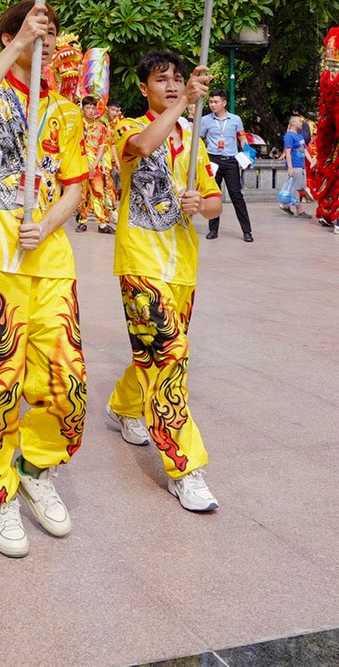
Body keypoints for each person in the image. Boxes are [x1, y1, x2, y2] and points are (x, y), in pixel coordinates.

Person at [0, 1, 88, 560]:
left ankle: (34, 467)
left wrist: (47, 224)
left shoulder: (65, 112)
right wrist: (13, 47)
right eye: (37, 30)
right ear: (11, 33)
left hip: (49, 262)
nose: (48, 39)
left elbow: (75, 187)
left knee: (67, 384)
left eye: (53, 32)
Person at [106, 51, 224, 513]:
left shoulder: (195, 139)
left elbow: (214, 203)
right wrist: (185, 104)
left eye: (178, 80)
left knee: (157, 352)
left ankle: (124, 405)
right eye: (162, 80)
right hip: (140, 262)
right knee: (170, 359)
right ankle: (185, 469)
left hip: (183, 267)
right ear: (144, 89)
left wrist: (200, 205)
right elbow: (142, 147)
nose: (172, 86)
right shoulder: (125, 128)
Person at [196, 93, 253, 242]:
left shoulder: (235, 120)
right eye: (211, 102)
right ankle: (213, 230)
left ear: (224, 103)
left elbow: (241, 137)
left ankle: (247, 231)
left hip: (231, 161)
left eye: (216, 102)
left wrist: (247, 155)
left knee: (237, 196)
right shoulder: (205, 120)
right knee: (213, 195)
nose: (212, 105)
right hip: (212, 160)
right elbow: (199, 138)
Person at [77, 96, 118, 234]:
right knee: (82, 194)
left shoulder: (100, 127)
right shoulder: (77, 125)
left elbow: (102, 146)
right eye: (88, 107)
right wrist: (86, 163)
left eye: (93, 108)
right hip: (80, 165)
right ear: (83, 109)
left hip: (96, 166)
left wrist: (94, 165)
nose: (91, 110)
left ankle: (102, 223)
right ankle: (82, 221)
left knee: (99, 192)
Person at [278, 115, 312, 217]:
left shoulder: (300, 136)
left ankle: (286, 205)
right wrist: (290, 167)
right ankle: (300, 211)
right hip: (295, 166)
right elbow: (288, 152)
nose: (302, 123)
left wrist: (311, 162)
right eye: (299, 121)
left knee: (299, 188)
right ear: (293, 123)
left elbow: (304, 150)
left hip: (301, 165)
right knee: (297, 189)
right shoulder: (289, 136)